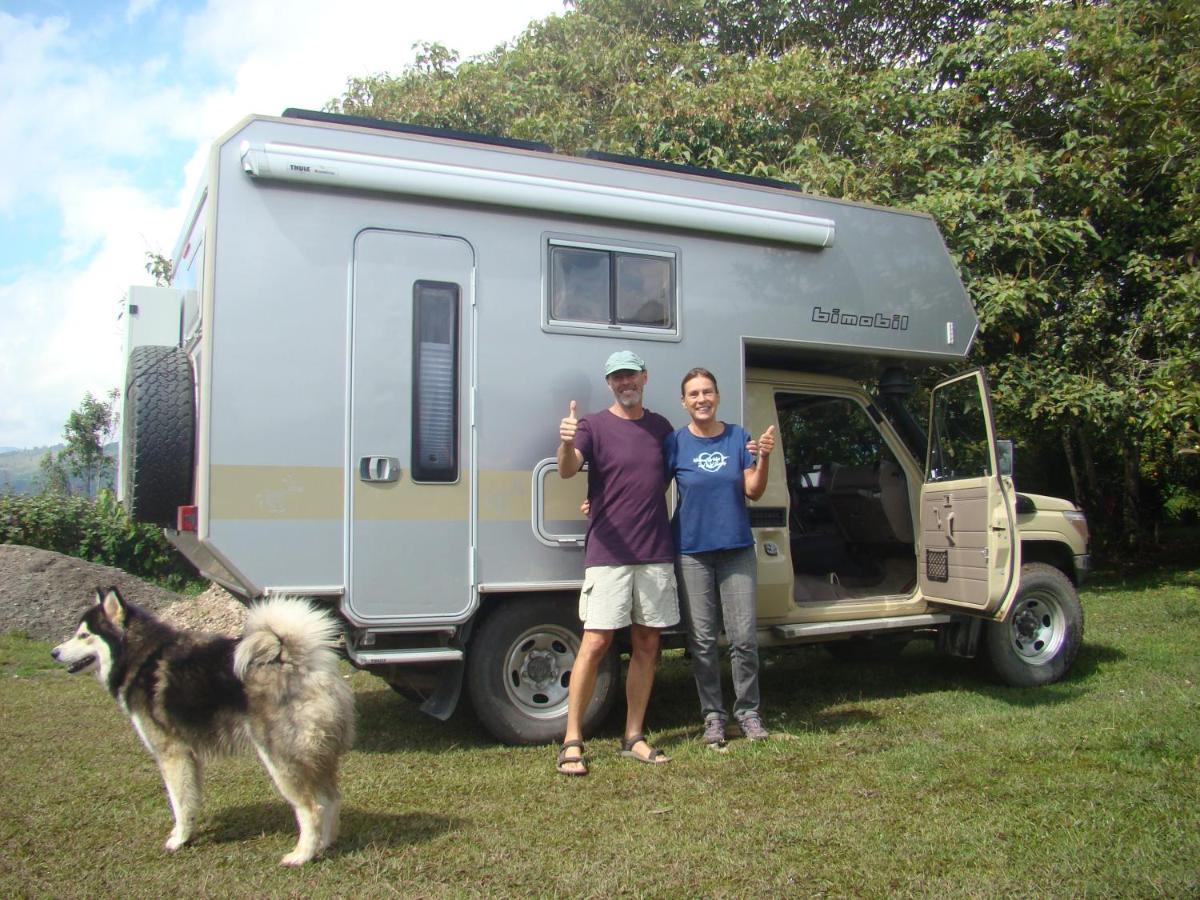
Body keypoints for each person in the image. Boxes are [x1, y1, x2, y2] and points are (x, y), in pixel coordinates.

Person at [554, 349, 679, 775]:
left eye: (631, 375)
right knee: (595, 642)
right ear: (609, 383)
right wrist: (567, 442)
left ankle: (633, 736)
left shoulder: (662, 427)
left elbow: (657, 481)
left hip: (654, 552)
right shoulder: (592, 425)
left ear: (644, 376)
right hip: (608, 554)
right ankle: (572, 739)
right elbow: (569, 470)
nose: (625, 382)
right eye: (616, 377)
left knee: (647, 643)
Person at [664, 367, 775, 749]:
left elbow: (753, 491)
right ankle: (713, 716)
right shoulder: (675, 443)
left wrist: (762, 460)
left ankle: (749, 712)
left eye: (707, 392)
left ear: (717, 396)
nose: (701, 399)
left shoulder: (737, 437)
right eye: (693, 394)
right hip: (692, 551)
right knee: (702, 641)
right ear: (684, 401)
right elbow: (648, 489)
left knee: (744, 638)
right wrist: (602, 502)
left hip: (736, 549)